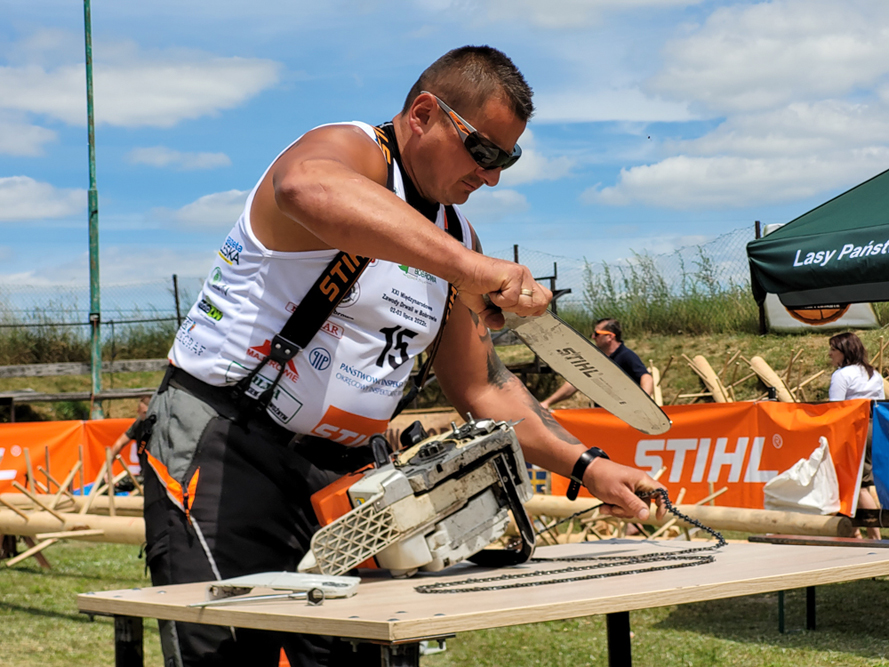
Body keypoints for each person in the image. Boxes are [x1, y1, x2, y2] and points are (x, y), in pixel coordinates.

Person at [139, 46, 666, 667]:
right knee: (226, 650)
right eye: (485, 152)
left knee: (364, 650)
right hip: (230, 443)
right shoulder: (354, 151)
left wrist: (591, 467)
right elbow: (303, 185)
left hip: (348, 474)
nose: (492, 176)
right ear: (423, 114)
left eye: (509, 159)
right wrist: (471, 269)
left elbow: (485, 391)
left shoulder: (455, 236)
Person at [828, 332, 884, 540]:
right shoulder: (874, 374)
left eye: (834, 349)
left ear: (844, 352)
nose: (830, 354)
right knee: (857, 483)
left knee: (859, 485)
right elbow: (880, 403)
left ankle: (874, 536)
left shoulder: (842, 375)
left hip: (852, 430)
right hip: (873, 428)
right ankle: (854, 532)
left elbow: (836, 407)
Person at [540, 318, 653, 410]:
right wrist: (547, 403)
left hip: (627, 416)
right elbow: (575, 384)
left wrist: (644, 404)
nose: (593, 337)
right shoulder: (596, 360)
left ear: (609, 337)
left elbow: (646, 377)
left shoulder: (626, 356)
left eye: (596, 334)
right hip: (602, 415)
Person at [108, 395, 150, 463]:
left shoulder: (161, 425)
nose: (137, 411)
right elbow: (119, 443)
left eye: (145, 413)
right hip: (144, 470)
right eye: (143, 412)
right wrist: (107, 467)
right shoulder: (138, 424)